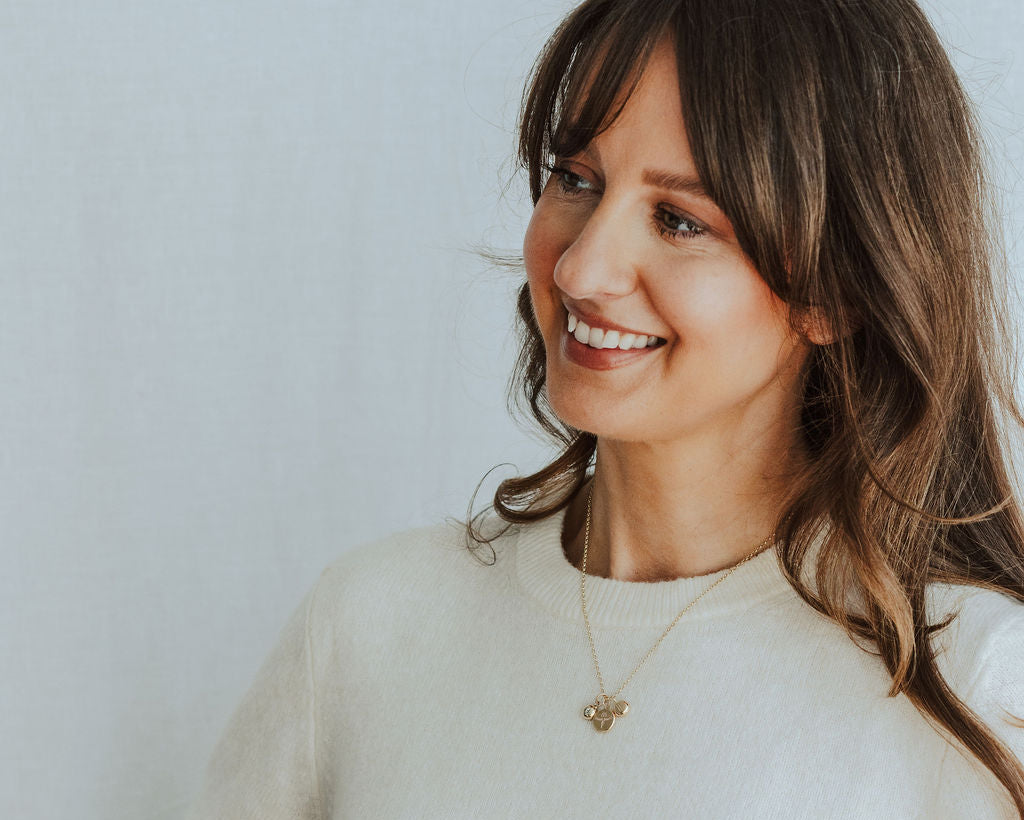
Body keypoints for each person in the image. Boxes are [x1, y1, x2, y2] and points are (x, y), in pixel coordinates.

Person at [187, 0, 1024, 817]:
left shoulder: (981, 689)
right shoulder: (368, 625)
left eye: (679, 220)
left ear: (836, 293)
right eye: (575, 179)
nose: (581, 269)